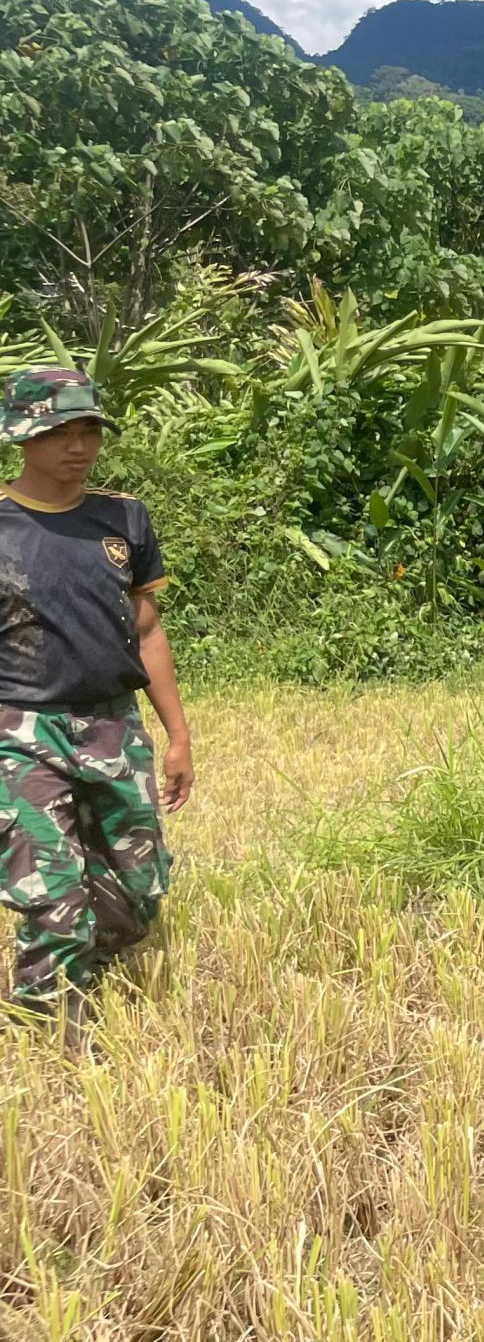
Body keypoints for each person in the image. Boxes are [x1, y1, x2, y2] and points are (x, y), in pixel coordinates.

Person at [0, 368, 192, 1048]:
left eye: (88, 431)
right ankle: (52, 1028)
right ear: (20, 435)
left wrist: (177, 736)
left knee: (134, 897)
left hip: (113, 724)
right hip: (18, 729)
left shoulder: (122, 519)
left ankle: (86, 975)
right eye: (58, 431)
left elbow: (146, 628)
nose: (76, 446)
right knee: (54, 897)